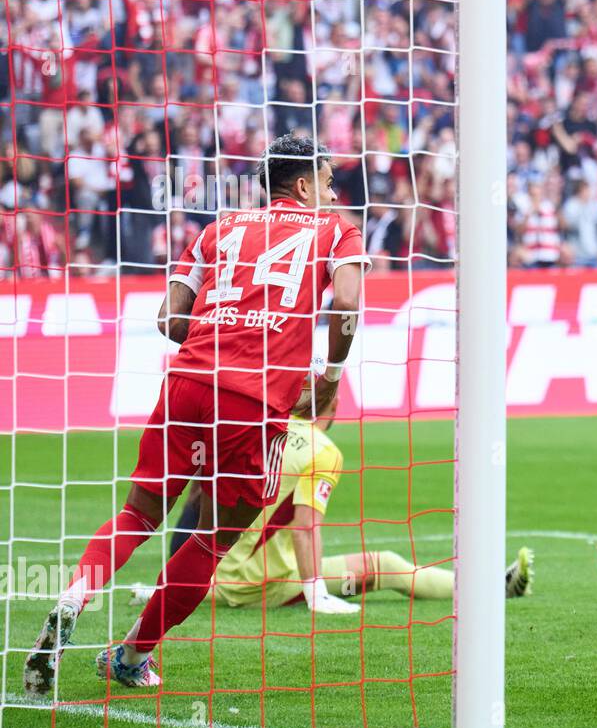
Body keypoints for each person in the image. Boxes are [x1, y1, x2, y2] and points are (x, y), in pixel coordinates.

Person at [24, 133, 368, 693]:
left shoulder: (218, 229)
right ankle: (132, 654)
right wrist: (328, 379)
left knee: (137, 515)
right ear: (305, 184)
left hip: (186, 383)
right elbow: (349, 304)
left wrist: (224, 333)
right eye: (329, 183)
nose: (332, 194)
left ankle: (74, 596)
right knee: (213, 539)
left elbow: (167, 318)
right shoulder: (337, 230)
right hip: (254, 404)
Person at [146, 395, 535, 610]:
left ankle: (171, 586)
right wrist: (316, 593)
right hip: (266, 585)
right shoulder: (323, 449)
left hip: (218, 570)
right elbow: (305, 525)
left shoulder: (257, 430)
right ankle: (490, 590)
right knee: (385, 566)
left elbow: (198, 497)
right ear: (331, 408)